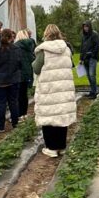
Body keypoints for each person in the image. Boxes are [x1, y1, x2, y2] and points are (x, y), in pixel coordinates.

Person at [34, 24, 77, 158]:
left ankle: (51, 148)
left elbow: (36, 69)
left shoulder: (43, 50)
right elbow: (70, 65)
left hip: (49, 88)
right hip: (63, 88)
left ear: (46, 34)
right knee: (61, 117)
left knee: (49, 117)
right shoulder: (67, 49)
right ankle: (61, 146)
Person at [0, 29, 22, 132]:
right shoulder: (16, 49)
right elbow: (19, 64)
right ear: (11, 37)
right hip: (14, 79)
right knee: (13, 102)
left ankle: (1, 126)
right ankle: (15, 123)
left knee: (1, 103)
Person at [15, 29, 37, 119]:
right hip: (28, 72)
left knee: (18, 95)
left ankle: (19, 114)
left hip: (18, 73)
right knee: (24, 94)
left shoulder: (16, 46)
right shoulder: (31, 45)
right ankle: (24, 113)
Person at [79, 21, 99, 99]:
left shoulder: (95, 34)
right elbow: (82, 47)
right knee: (88, 75)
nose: (86, 28)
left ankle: (94, 92)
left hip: (92, 58)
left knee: (92, 75)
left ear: (90, 27)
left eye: (87, 26)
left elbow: (97, 46)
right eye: (84, 27)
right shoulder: (83, 35)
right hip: (85, 58)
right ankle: (92, 91)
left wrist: (91, 54)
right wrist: (81, 58)